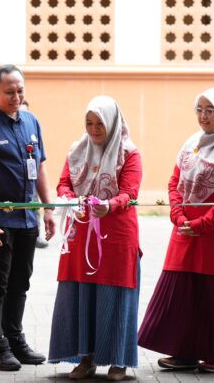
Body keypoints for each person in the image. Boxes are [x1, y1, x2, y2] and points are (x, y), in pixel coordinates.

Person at [138, 88, 214, 374]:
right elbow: (174, 181)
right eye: (200, 109)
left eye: (210, 110)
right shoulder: (192, 143)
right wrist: (178, 215)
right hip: (186, 229)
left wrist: (204, 223)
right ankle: (185, 350)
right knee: (185, 288)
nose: (204, 116)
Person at [0, 64, 56, 371]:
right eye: (9, 92)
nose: (16, 97)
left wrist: (48, 209)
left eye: (20, 91)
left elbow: (39, 167)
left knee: (20, 285)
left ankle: (15, 340)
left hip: (27, 220)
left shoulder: (32, 121)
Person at [48, 96, 142, 381]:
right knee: (81, 293)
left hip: (116, 236)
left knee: (115, 295)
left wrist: (109, 205)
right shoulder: (78, 150)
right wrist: (68, 198)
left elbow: (130, 192)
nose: (94, 128)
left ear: (112, 122)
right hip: (81, 232)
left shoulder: (129, 153)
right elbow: (63, 182)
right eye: (89, 122)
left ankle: (118, 362)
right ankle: (85, 358)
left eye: (100, 122)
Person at [20, 99, 49, 249]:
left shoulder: (32, 127)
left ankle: (36, 234)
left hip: (32, 179)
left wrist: (48, 207)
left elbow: (41, 163)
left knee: (34, 205)